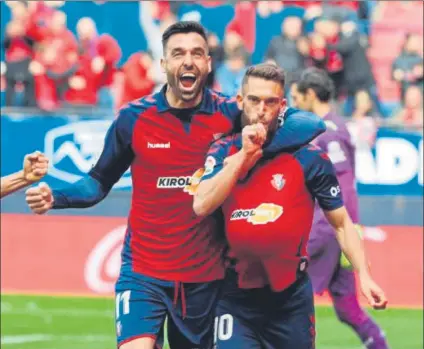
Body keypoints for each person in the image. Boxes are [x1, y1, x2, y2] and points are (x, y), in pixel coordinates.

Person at [24, 22, 325, 349]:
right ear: (164, 63)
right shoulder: (134, 118)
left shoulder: (230, 114)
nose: (188, 60)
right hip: (143, 273)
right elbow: (98, 182)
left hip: (205, 279)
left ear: (208, 63)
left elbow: (308, 123)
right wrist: (57, 196)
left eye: (197, 53)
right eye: (178, 53)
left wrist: (260, 137)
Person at [193, 64, 387, 349]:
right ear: (239, 102)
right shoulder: (223, 150)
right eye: (254, 100)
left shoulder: (310, 157)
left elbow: (342, 223)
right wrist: (243, 157)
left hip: (291, 301)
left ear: (282, 105)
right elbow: (201, 204)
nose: (262, 109)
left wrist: (365, 274)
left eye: (270, 102)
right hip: (234, 298)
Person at [290, 67, 390, 349]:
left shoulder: (327, 134)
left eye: (297, 98)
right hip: (341, 233)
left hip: (328, 232)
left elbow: (341, 192)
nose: (294, 103)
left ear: (310, 95)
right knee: (347, 307)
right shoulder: (334, 126)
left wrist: (319, 236)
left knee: (284, 298)